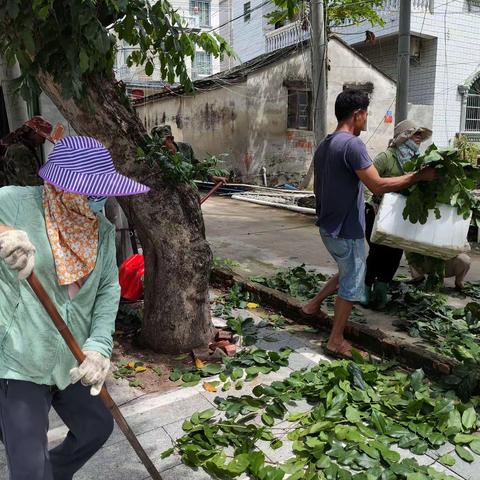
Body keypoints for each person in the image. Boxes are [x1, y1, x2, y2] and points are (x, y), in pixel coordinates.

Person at [0, 136, 149, 480]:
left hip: (71, 359)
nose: (98, 202)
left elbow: (108, 291)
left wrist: (98, 348)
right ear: (59, 186)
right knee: (28, 467)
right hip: (22, 360)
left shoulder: (102, 230)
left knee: (96, 426)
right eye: (90, 192)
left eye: (101, 193)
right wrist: (6, 234)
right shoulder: (17, 203)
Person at [301, 90, 436, 358]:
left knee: (348, 269)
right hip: (345, 229)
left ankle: (312, 306)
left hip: (329, 226)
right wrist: (418, 177)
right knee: (353, 281)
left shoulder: (325, 144)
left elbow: (320, 188)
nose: (366, 120)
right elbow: (377, 184)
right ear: (357, 114)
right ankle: (336, 340)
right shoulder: (352, 145)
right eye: (366, 115)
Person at [364, 119, 432, 308]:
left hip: (400, 216)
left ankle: (381, 289)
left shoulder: (417, 162)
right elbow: (367, 182)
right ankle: (364, 287)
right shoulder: (386, 157)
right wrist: (375, 200)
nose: (419, 139)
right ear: (405, 137)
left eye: (420, 136)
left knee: (394, 254)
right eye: (416, 135)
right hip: (376, 212)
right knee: (377, 253)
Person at [151, 124, 227, 184]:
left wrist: (212, 177)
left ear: (171, 139)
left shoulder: (186, 148)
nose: (162, 147)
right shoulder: (159, 156)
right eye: (158, 144)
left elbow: (196, 165)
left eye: (163, 143)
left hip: (189, 188)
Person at [0, 116, 53, 186]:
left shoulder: (26, 148)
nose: (43, 141)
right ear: (34, 133)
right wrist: (53, 181)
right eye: (42, 137)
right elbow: (29, 181)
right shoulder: (19, 151)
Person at [407, 253, 471, 290]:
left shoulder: (455, 232)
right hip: (427, 261)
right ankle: (418, 276)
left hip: (448, 264)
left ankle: (458, 282)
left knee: (464, 259)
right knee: (409, 249)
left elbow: (465, 247)